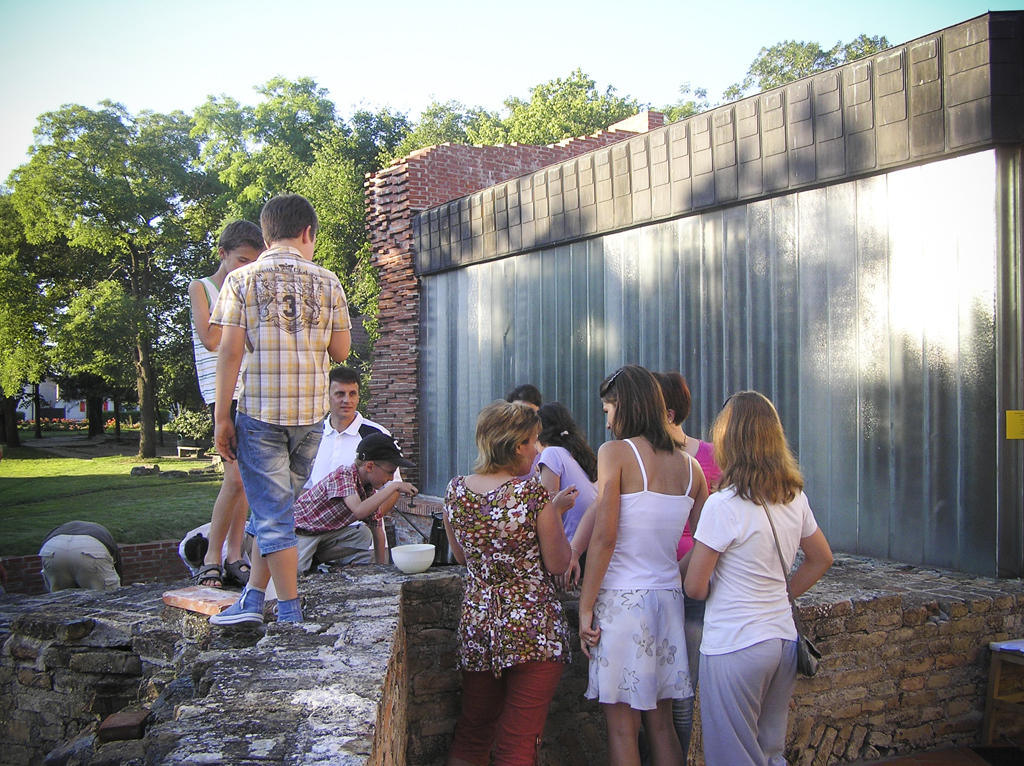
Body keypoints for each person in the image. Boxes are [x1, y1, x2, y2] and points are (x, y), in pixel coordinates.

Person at [209, 193, 351, 626]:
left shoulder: (241, 280)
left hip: (261, 415)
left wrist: (221, 416)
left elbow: (229, 352)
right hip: (310, 418)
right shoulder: (329, 281)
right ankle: (254, 598)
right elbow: (341, 350)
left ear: (267, 235)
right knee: (276, 512)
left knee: (273, 515)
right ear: (308, 232)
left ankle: (288, 612)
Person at [683, 391, 833, 766]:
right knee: (770, 751)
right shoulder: (793, 497)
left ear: (728, 439)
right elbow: (821, 559)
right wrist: (781, 594)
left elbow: (695, 587)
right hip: (782, 640)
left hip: (735, 643)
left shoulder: (724, 504)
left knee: (732, 753)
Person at [578, 365, 708, 766]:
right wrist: (671, 575)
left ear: (625, 405)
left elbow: (604, 537)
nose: (607, 421)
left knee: (622, 728)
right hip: (667, 602)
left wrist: (585, 606)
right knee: (662, 725)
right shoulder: (692, 468)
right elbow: (707, 543)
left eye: (608, 409)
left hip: (621, 603)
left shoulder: (615, 453)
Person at [443, 401, 579, 766]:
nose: (537, 450)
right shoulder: (531, 495)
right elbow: (558, 562)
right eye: (533, 441)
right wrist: (554, 514)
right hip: (533, 631)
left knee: (472, 735)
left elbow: (461, 557)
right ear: (518, 445)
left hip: (480, 629)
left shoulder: (455, 491)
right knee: (517, 746)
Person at [188, 220, 263, 588]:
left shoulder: (249, 289)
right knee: (234, 478)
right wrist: (237, 305)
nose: (246, 268)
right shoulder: (202, 288)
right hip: (224, 393)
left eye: (254, 263)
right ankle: (211, 557)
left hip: (253, 390)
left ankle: (235, 555)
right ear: (222, 254)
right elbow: (210, 338)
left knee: (245, 481)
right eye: (242, 260)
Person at [654, 370, 721, 761]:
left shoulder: (709, 457)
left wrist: (681, 569)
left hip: (692, 578)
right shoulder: (642, 456)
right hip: (657, 579)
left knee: (684, 683)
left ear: (669, 413)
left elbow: (715, 528)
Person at [302, 365, 396, 565]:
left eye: (352, 393)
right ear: (326, 395)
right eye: (340, 394)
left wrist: (367, 517)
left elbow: (392, 489)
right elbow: (304, 488)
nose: (347, 400)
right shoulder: (312, 434)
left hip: (359, 544)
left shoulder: (375, 435)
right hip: (314, 539)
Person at [294, 433, 418, 571]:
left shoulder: (367, 490)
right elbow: (359, 511)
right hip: (302, 531)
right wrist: (394, 487)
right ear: (369, 467)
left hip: (325, 532)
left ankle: (314, 560)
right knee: (296, 573)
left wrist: (381, 569)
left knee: (363, 534)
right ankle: (303, 561)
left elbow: (377, 530)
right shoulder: (343, 475)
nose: (391, 478)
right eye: (390, 472)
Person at [535, 402, 597, 581]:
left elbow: (546, 510)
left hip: (570, 554)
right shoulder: (580, 454)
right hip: (589, 547)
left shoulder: (551, 453)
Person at [39, 521, 122, 592]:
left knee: (59, 596)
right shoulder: (103, 534)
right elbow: (117, 568)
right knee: (106, 596)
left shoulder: (60, 529)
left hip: (53, 546)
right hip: (92, 547)